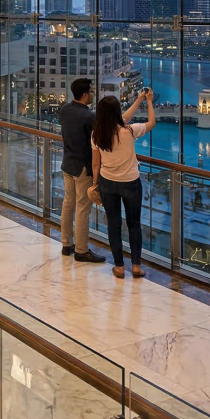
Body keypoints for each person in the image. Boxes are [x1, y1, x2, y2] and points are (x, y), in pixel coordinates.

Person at [89, 88, 153, 279]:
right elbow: (151, 123)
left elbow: (95, 163)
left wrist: (94, 183)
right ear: (117, 113)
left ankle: (118, 266)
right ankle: (135, 266)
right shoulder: (129, 131)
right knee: (134, 224)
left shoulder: (97, 135)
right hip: (130, 182)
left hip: (107, 182)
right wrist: (148, 101)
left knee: (114, 224)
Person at [58, 78, 105, 263]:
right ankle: (82, 250)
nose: (93, 94)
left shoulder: (65, 110)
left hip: (67, 163)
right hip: (83, 167)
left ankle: (66, 244)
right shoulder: (89, 117)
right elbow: (98, 141)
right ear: (85, 94)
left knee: (68, 204)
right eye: (92, 91)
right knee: (83, 209)